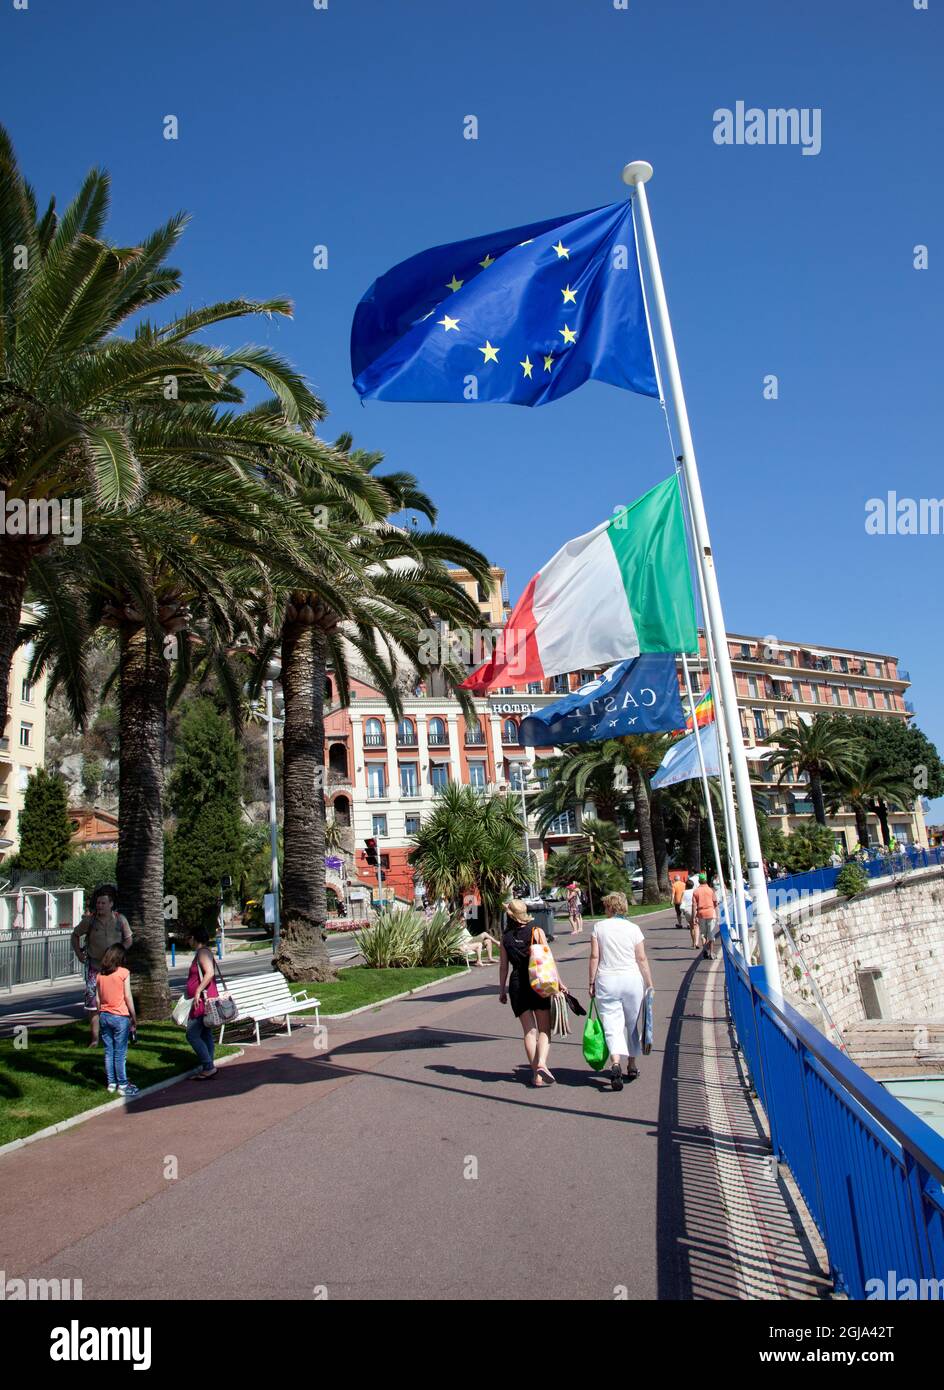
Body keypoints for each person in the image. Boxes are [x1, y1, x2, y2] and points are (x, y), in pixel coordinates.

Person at [588, 891, 654, 1091]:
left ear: (610, 908)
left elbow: (594, 957)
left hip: (607, 980)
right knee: (632, 1024)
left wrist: (591, 982)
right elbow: (641, 958)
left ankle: (615, 1061)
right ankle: (632, 1064)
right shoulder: (634, 929)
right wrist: (649, 983)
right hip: (631, 980)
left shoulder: (598, 927)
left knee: (612, 1023)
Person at [499, 898, 555, 1087]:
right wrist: (559, 984)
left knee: (529, 1032)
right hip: (538, 982)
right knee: (544, 1029)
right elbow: (548, 960)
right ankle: (541, 1063)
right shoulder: (536, 931)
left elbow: (503, 967)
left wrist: (502, 990)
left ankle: (536, 1076)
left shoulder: (505, 937)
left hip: (517, 984)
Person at [71, 885, 133, 1047]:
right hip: (94, 968)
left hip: (115, 969)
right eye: (98, 903)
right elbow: (75, 935)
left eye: (103, 903)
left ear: (111, 904)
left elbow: (129, 939)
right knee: (93, 1005)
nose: (99, 906)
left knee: (118, 1002)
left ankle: (119, 1035)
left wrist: (119, 952)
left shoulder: (120, 920)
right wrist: (79, 954)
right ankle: (95, 1038)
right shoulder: (90, 921)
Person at [95, 944, 140, 1097]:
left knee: (109, 1051)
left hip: (104, 1015)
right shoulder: (123, 973)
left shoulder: (100, 975)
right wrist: (133, 1017)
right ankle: (122, 1083)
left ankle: (111, 1083)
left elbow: (97, 999)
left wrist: (101, 1012)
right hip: (120, 1016)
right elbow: (128, 996)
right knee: (120, 1052)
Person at [184, 927, 220, 1079]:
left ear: (194, 937)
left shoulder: (202, 953)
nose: (187, 941)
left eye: (189, 938)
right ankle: (209, 1064)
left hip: (203, 1000)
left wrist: (198, 990)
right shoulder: (203, 952)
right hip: (203, 998)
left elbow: (209, 972)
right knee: (205, 1032)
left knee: (192, 1034)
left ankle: (208, 1065)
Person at [693, 873, 719, 959]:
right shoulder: (711, 890)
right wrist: (717, 914)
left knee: (703, 934)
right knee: (711, 934)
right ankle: (711, 953)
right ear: (706, 880)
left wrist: (694, 917)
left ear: (699, 881)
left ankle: (705, 950)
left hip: (701, 914)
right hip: (710, 913)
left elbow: (694, 905)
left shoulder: (696, 891)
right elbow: (715, 902)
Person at [681, 876, 698, 948]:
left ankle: (693, 942)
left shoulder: (684, 892)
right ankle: (696, 942)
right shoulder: (695, 891)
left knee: (691, 927)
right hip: (694, 909)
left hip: (687, 909)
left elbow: (681, 902)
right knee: (696, 926)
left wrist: (683, 911)